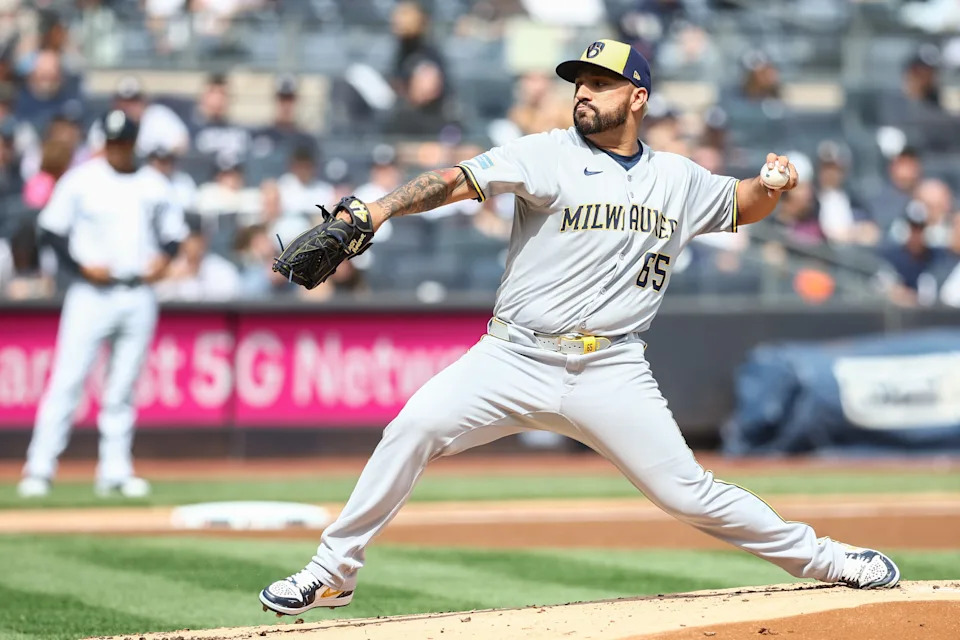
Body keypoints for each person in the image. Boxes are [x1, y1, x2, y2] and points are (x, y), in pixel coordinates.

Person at [259, 39, 901, 616]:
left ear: (638, 97)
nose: (584, 92)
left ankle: (828, 560)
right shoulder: (546, 154)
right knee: (413, 427)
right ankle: (332, 570)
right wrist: (379, 207)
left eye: (600, 82)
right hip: (512, 355)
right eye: (579, 82)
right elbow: (454, 181)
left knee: (688, 495)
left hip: (611, 368)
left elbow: (741, 204)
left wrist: (771, 184)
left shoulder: (676, 178)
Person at [18, 110, 187, 498]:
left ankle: (115, 468)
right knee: (68, 379)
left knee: (123, 387)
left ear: (132, 143)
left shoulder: (153, 184)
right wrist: (79, 266)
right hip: (90, 293)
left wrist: (165, 258)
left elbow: (174, 235)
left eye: (122, 142)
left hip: (138, 290)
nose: (116, 148)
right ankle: (39, 467)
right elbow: (51, 230)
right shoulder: (83, 180)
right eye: (111, 142)